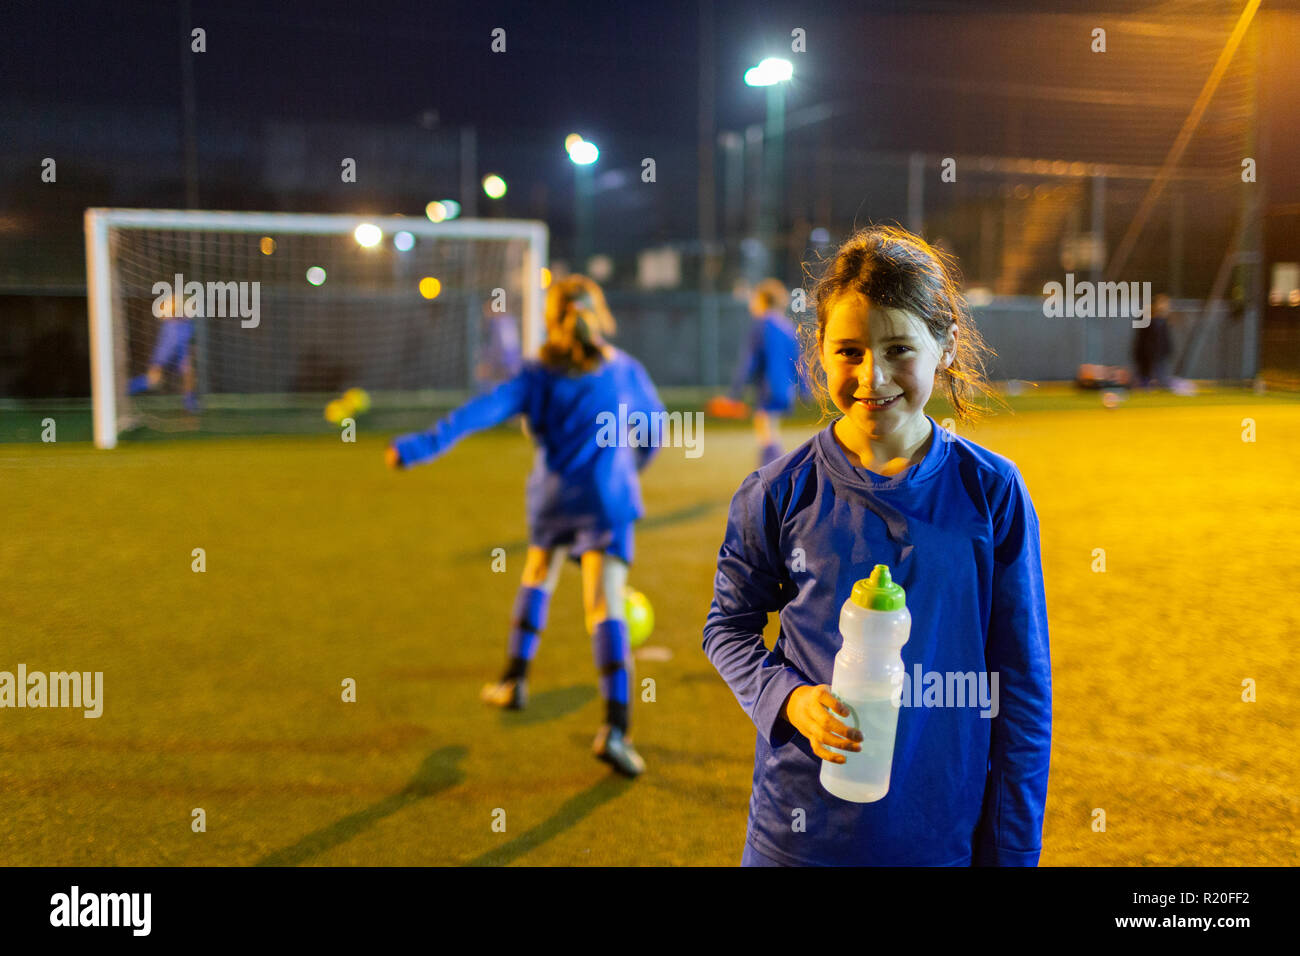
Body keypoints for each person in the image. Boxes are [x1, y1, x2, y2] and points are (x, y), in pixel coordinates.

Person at [702, 226, 1051, 865]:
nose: (873, 375)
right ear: (820, 352)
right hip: (797, 838)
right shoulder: (779, 491)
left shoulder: (991, 491)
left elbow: (1022, 686)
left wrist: (1013, 851)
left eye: (898, 349)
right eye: (850, 351)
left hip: (937, 835)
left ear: (944, 343)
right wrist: (788, 699)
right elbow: (727, 627)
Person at [386, 275, 664, 777]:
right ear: (597, 313)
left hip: (554, 499)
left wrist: (418, 447)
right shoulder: (624, 370)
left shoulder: (537, 374)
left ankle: (514, 681)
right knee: (604, 606)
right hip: (608, 500)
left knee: (538, 574)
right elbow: (656, 430)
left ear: (550, 318)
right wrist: (628, 469)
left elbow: (479, 412)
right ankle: (615, 730)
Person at [728, 278, 810, 468]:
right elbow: (798, 361)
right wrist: (805, 389)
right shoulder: (787, 326)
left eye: (754, 299)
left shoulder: (761, 324)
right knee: (770, 429)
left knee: (765, 431)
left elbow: (749, 361)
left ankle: (777, 471)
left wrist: (735, 392)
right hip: (786, 389)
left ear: (763, 300)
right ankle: (777, 469)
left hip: (768, 387)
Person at [129, 291, 200, 413]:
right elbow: (163, 313)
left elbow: (190, 340)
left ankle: (190, 403)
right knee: (154, 380)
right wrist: (172, 305)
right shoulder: (170, 321)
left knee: (189, 374)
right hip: (166, 350)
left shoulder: (188, 323)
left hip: (181, 353)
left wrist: (192, 352)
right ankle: (125, 390)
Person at [474, 300, 524, 393]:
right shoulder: (501, 324)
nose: (486, 314)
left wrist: (491, 368)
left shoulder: (502, 324)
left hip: (504, 373)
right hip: (503, 371)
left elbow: (506, 353)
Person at [1133, 293, 1174, 389]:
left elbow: (1165, 339)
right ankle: (1143, 387)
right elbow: (1142, 339)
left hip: (1160, 355)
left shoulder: (1163, 321)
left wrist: (1168, 350)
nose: (1165, 307)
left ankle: (1158, 387)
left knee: (1161, 378)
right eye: (1162, 303)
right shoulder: (1146, 319)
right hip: (1146, 355)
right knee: (1145, 377)